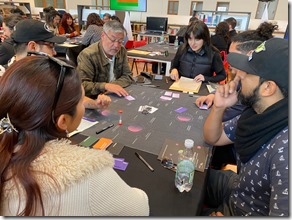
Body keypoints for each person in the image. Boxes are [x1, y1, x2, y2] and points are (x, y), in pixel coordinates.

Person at [0, 55, 150, 216]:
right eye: (80, 100)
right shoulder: (89, 176)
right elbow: (139, 209)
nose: (83, 104)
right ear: (63, 121)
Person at [202, 38, 288, 216]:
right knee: (186, 176)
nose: (238, 76)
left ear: (267, 88)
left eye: (247, 73)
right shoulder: (258, 113)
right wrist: (219, 107)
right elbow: (214, 138)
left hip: (245, 210)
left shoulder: (285, 151)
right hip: (239, 189)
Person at [0, 19, 110, 109]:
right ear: (33, 47)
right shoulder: (4, 80)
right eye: (51, 46)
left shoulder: (50, 72)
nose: (55, 52)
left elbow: (72, 97)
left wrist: (95, 104)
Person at [195, 21, 279, 115]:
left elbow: (234, 120)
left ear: (250, 55)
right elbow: (228, 88)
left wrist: (217, 111)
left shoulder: (255, 89)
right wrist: (212, 95)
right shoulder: (240, 78)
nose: (229, 63)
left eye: (235, 58)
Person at [77, 20, 133, 98]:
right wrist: (106, 86)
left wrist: (113, 86)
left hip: (115, 95)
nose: (116, 45)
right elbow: (82, 85)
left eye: (120, 41)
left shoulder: (122, 51)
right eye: (112, 40)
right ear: (103, 36)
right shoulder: (88, 55)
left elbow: (128, 76)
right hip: (95, 99)